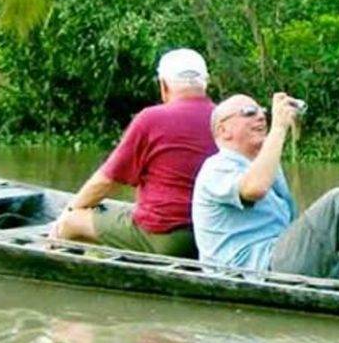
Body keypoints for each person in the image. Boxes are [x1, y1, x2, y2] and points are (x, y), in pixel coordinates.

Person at [192, 92, 339, 285]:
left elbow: (291, 224)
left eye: (262, 110)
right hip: (256, 271)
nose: (261, 115)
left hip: (279, 257)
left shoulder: (265, 165)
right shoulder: (216, 167)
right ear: (223, 131)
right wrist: (279, 128)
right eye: (249, 112)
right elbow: (254, 189)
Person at [49, 48, 216, 257]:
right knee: (109, 214)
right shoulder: (223, 120)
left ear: (163, 85)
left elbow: (105, 182)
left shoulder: (151, 119)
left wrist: (68, 213)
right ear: (206, 83)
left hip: (165, 238)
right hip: (208, 237)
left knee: (71, 222)